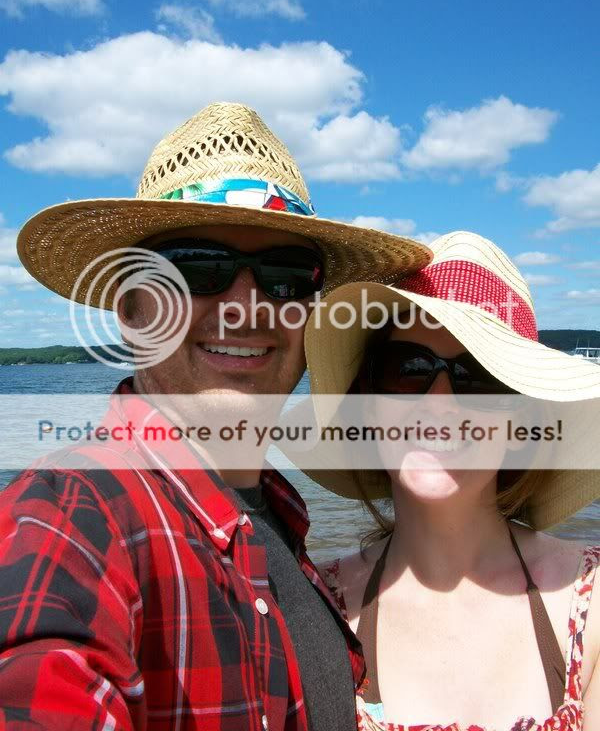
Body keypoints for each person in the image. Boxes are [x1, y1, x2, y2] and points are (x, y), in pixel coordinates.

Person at [0, 102, 432, 730]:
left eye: (285, 277)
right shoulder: (73, 512)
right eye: (198, 269)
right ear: (132, 310)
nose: (246, 306)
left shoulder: (275, 518)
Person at [296, 231, 600, 731]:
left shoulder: (590, 604)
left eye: (477, 377)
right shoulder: (317, 609)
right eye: (409, 369)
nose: (440, 405)